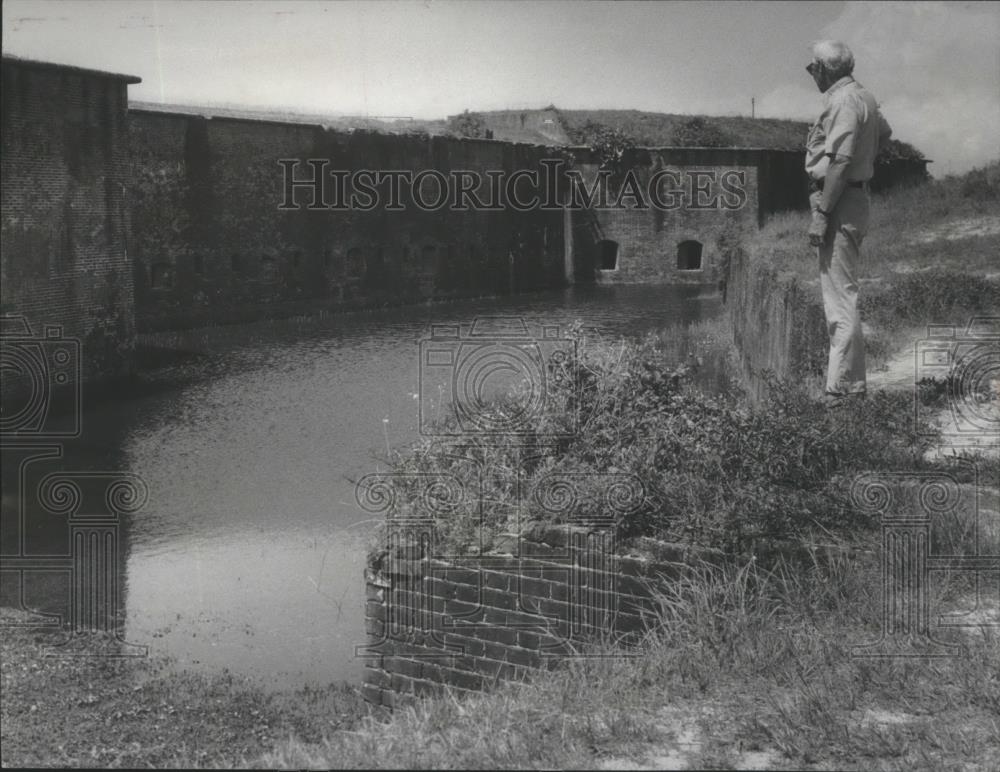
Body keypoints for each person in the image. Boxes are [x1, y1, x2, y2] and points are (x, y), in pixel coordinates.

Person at [804, 40, 892, 407]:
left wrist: (822, 214)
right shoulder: (864, 96)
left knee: (840, 297)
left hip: (839, 201)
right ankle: (847, 383)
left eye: (813, 69)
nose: (813, 76)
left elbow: (838, 162)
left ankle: (842, 390)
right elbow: (884, 132)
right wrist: (864, 161)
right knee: (843, 292)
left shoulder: (841, 101)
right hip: (854, 197)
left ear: (825, 69)